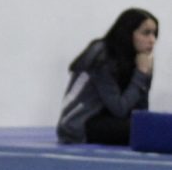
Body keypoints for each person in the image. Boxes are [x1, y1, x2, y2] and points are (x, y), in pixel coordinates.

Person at [56, 8, 158, 146]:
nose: (152, 40)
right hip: (79, 124)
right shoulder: (101, 56)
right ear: (128, 33)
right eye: (146, 33)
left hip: (109, 118)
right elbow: (120, 109)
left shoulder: (140, 59)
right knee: (145, 130)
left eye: (154, 34)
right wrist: (141, 74)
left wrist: (145, 75)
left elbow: (140, 109)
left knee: (154, 128)